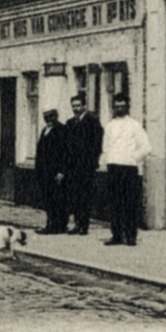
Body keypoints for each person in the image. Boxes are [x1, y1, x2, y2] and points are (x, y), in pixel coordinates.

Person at [99, 92, 151, 247]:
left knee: (130, 203)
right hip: (114, 168)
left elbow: (146, 147)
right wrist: (108, 160)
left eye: (122, 106)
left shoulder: (134, 125)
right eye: (117, 107)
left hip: (129, 169)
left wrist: (132, 158)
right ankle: (116, 235)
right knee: (115, 203)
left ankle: (131, 235)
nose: (119, 109)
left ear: (127, 107)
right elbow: (106, 147)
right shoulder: (110, 126)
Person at [62, 93, 102, 235]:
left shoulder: (92, 122)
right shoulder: (70, 123)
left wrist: (91, 161)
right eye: (73, 106)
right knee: (75, 196)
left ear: (84, 106)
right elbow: (66, 146)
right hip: (73, 168)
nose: (76, 109)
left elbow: (97, 144)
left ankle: (84, 226)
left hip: (86, 167)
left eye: (78, 105)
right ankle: (77, 224)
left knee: (85, 196)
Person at [35, 109, 69, 233]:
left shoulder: (61, 130)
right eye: (45, 117)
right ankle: (50, 223)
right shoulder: (45, 130)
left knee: (58, 199)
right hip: (44, 171)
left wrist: (62, 171)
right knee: (48, 199)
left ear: (55, 116)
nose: (48, 119)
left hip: (55, 172)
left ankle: (58, 225)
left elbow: (65, 152)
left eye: (50, 116)